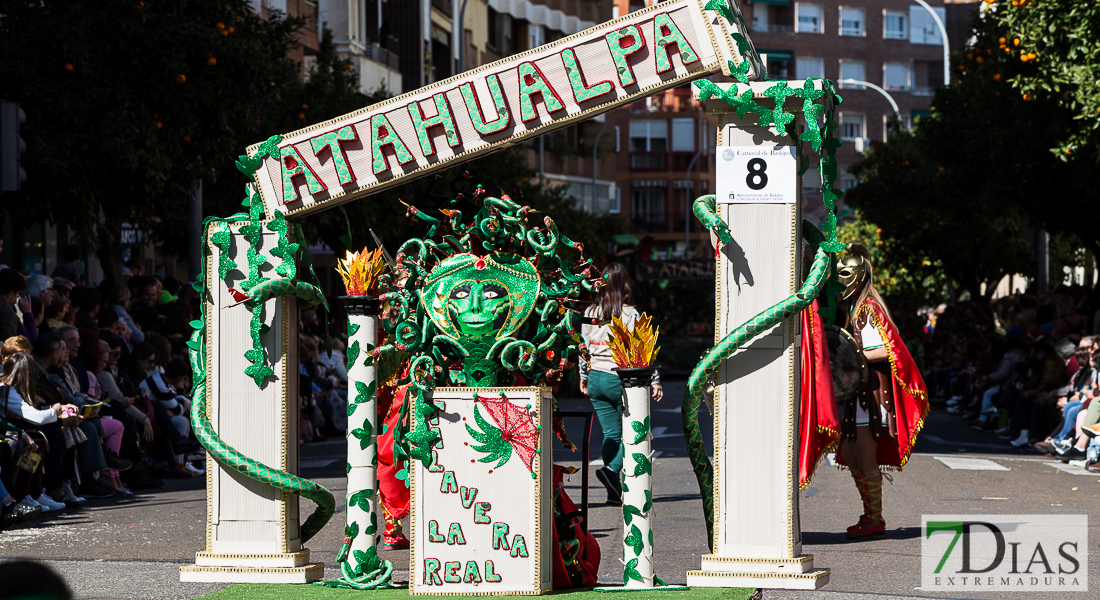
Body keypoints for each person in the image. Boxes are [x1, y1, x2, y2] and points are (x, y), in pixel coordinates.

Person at [834, 243, 928, 539]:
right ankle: (869, 514)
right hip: (858, 393)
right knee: (850, 453)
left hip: (872, 395)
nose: (841, 277)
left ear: (860, 275)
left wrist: (849, 355)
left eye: (846, 272)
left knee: (863, 455)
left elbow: (883, 351)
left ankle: (875, 518)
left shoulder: (868, 310)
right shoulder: (856, 308)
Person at [578, 262, 662, 506]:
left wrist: (584, 377)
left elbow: (583, 348)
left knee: (611, 434)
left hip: (596, 379)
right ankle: (612, 470)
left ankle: (613, 491)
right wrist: (654, 381)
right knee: (632, 432)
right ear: (624, 284)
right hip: (622, 379)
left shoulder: (590, 313)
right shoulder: (630, 314)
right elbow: (643, 350)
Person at [0, 269, 26, 341]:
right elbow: (8, 343)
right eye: (17, 294)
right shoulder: (6, 311)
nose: (17, 298)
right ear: (10, 294)